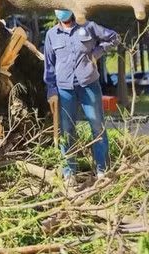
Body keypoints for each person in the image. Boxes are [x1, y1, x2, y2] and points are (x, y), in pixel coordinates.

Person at [43, 9, 119, 186]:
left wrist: (96, 54)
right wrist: (51, 91)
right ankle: (69, 173)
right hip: (64, 89)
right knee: (67, 130)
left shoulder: (89, 27)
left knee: (97, 126)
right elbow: (49, 65)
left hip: (89, 84)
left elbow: (114, 37)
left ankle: (102, 170)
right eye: (58, 10)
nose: (61, 13)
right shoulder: (51, 35)